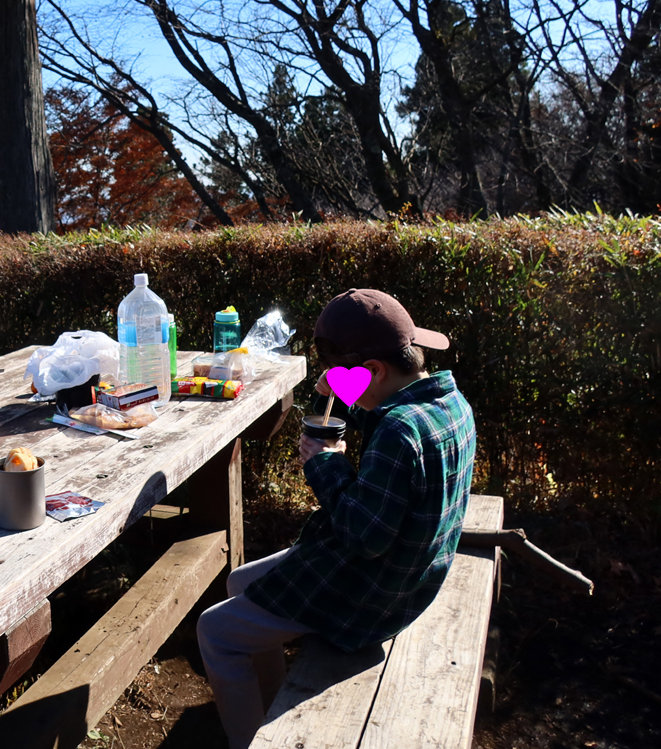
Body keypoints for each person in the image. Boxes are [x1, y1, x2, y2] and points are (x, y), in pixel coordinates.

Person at [197, 288, 477, 749]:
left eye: (343, 376)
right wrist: (345, 391)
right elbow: (393, 474)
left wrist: (324, 465)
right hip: (413, 576)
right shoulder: (447, 405)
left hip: (375, 595)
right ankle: (271, 713)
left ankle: (251, 742)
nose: (335, 385)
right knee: (239, 583)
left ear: (375, 370)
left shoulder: (400, 432)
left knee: (215, 631)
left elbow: (363, 537)